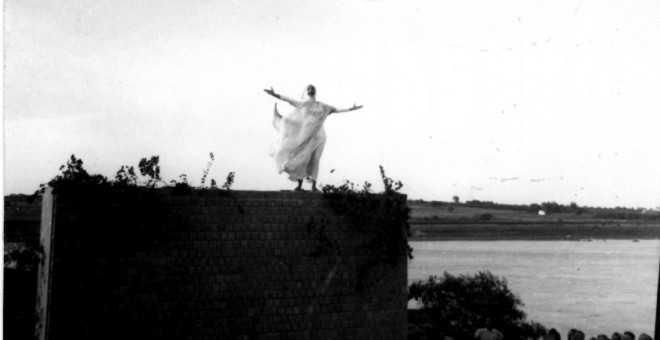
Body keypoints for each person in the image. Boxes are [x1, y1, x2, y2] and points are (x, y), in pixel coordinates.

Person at [265, 84, 363, 192]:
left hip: (319, 136)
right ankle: (299, 185)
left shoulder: (322, 106)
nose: (311, 90)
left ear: (315, 91)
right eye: (308, 88)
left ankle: (313, 186)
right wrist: (274, 94)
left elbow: (336, 110)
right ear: (306, 92)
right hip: (307, 136)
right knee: (303, 158)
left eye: (312, 88)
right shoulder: (303, 105)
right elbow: (289, 100)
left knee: (316, 160)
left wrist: (351, 109)